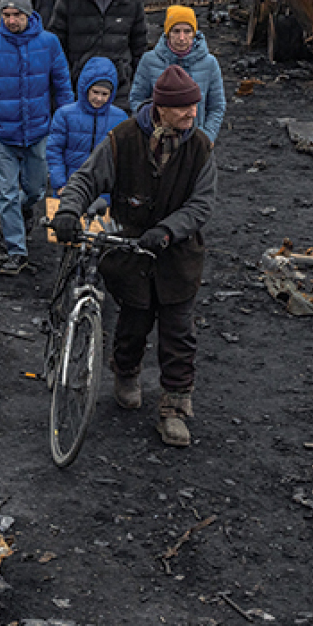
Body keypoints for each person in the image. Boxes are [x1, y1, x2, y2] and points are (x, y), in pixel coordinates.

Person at [52, 65, 216, 448]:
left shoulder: (200, 148)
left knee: (179, 335)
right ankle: (125, 373)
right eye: (184, 108)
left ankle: (174, 410)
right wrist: (68, 210)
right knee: (132, 323)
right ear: (160, 108)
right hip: (130, 254)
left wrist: (169, 230)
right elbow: (87, 178)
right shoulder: (123, 139)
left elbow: (202, 204)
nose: (192, 113)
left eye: (194, 106)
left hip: (178, 258)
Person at [0, 0, 74, 275]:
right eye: (6, 15)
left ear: (29, 14)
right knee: (5, 194)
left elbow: (63, 86)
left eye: (16, 14)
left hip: (39, 130)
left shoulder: (49, 44)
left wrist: (66, 124)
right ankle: (16, 251)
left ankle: (26, 209)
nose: (11, 20)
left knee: (35, 188)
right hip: (2, 132)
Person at [49, 0, 149, 90]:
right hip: (79, 82)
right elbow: (57, 39)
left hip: (120, 84)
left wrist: (134, 79)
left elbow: (139, 43)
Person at [130, 5, 227, 142]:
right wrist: (150, 130)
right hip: (157, 139)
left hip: (195, 140)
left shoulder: (209, 63)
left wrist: (206, 137)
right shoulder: (149, 61)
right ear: (167, 32)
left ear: (194, 33)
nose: (182, 38)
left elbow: (216, 106)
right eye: (176, 31)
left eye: (187, 31)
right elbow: (137, 100)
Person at [46, 55, 128, 202]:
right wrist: (59, 184)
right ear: (85, 89)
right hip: (70, 188)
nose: (99, 99)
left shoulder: (120, 118)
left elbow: (124, 157)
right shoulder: (65, 114)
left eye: (104, 94)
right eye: (95, 92)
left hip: (104, 193)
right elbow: (54, 151)